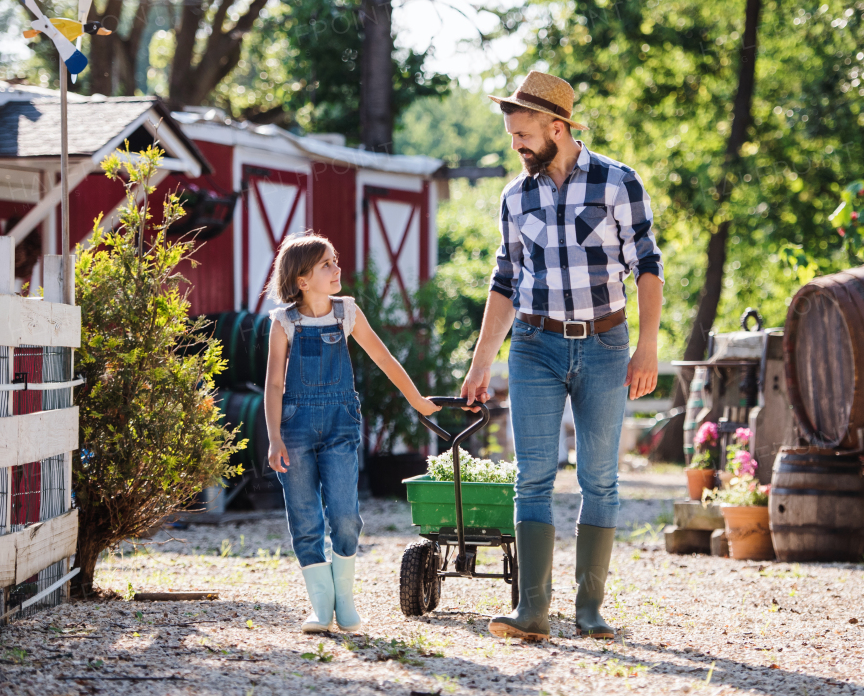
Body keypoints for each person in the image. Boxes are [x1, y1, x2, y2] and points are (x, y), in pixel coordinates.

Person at [460, 70, 664, 641]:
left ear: (557, 127)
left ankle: (590, 609)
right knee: (533, 477)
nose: (516, 145)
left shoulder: (618, 183)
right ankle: (533, 611)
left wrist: (647, 346)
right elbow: (504, 280)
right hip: (533, 345)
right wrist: (481, 362)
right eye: (511, 136)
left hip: (604, 344)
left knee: (599, 479)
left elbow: (647, 264)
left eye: (523, 134)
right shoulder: (515, 195)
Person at [264, 232, 440, 633]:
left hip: (341, 424)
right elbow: (274, 384)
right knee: (305, 520)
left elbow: (384, 358)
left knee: (345, 517)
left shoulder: (347, 313)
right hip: (295, 430)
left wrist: (417, 401)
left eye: (335, 259)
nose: (336, 268)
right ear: (302, 280)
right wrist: (274, 436)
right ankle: (322, 607)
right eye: (326, 263)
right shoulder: (283, 322)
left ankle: (345, 599)